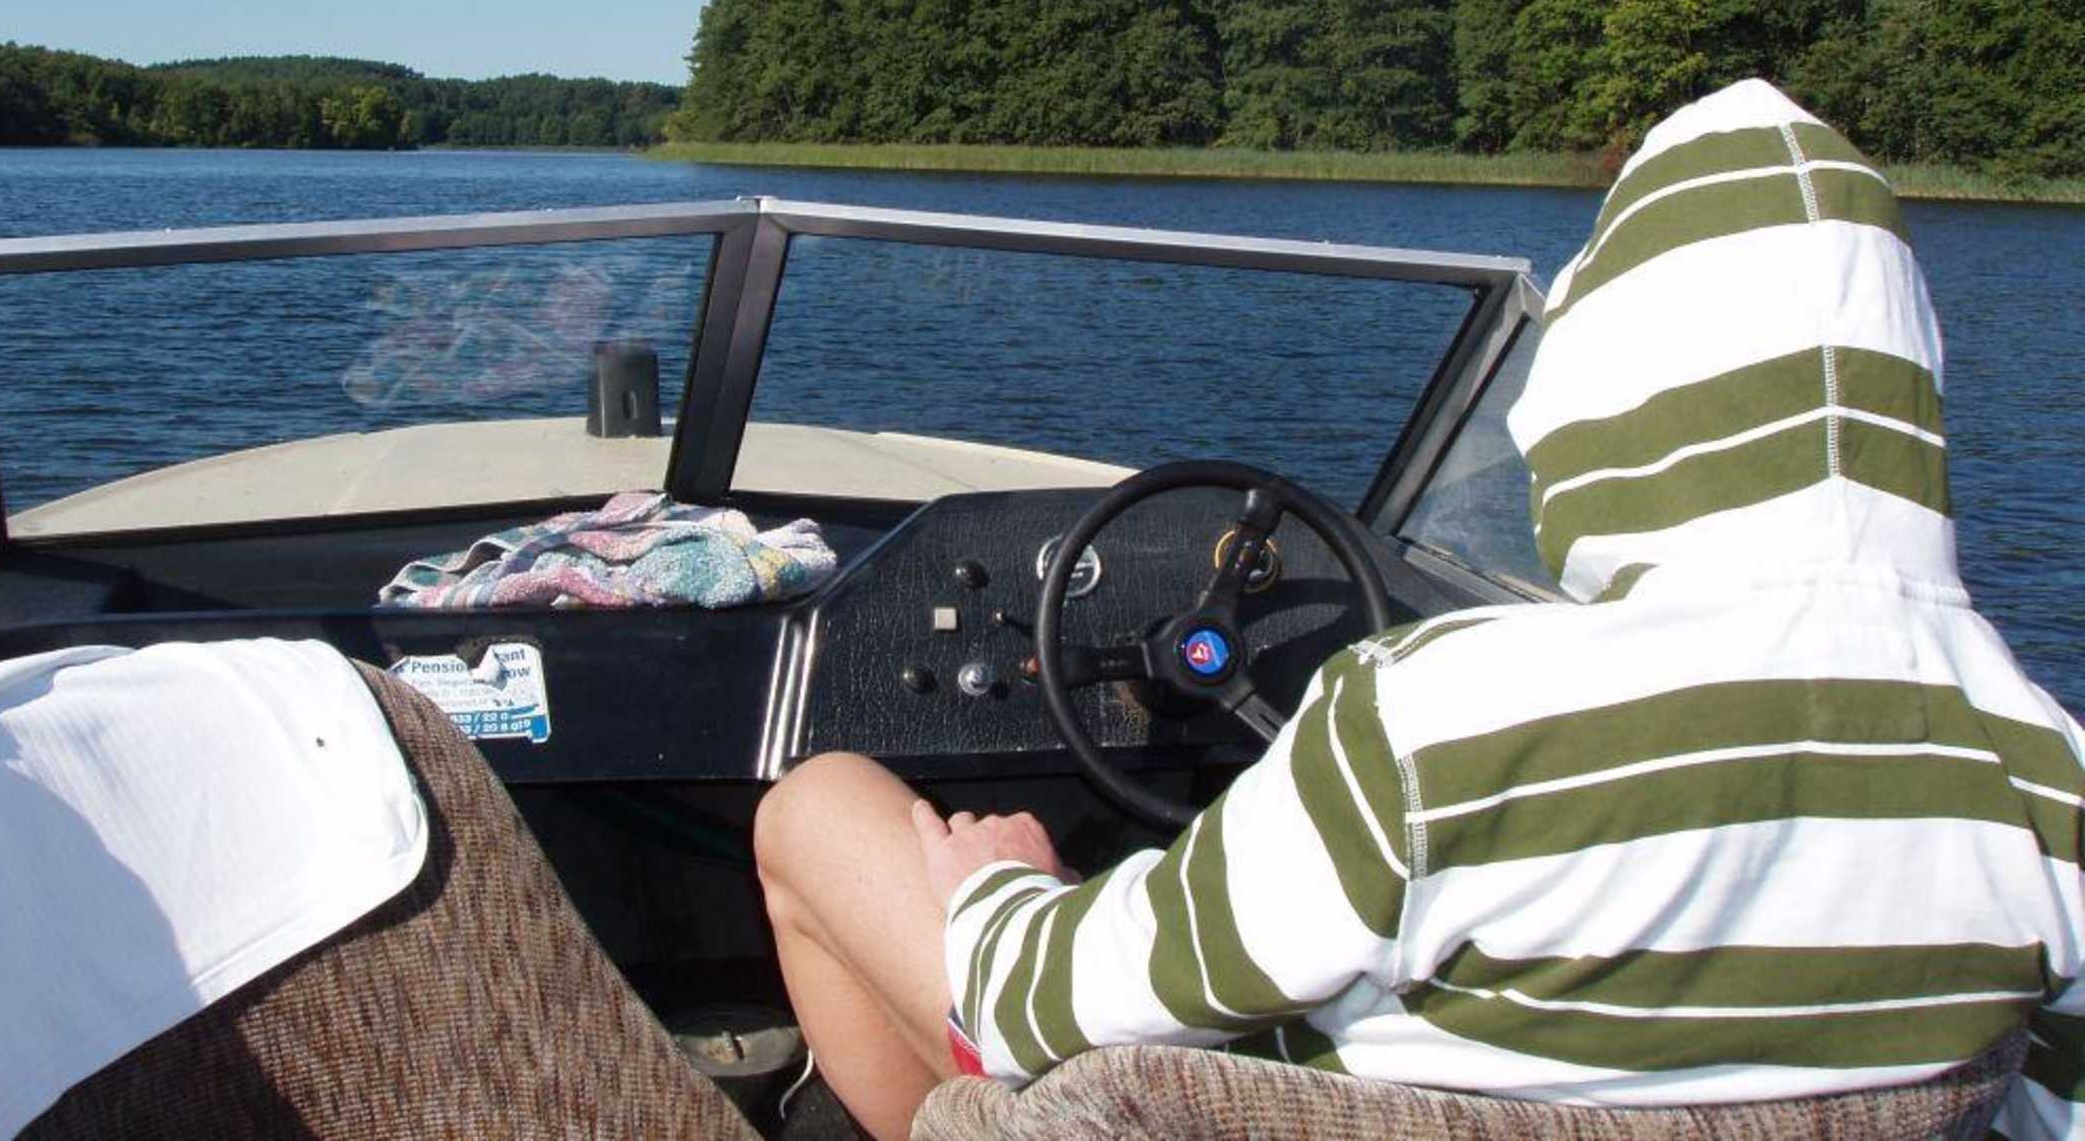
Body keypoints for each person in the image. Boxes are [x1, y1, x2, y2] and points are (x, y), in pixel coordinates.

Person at [755, 79, 2085, 1141]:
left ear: (1607, 389)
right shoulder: (2049, 777)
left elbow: (1042, 1006)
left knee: (816, 808)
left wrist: (1001, 889)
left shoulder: (1438, 721)